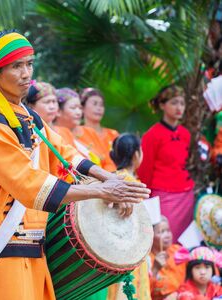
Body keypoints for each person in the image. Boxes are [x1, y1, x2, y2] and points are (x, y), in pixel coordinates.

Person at [0, 29, 150, 300]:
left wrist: (107, 179)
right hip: (4, 250)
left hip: (35, 246)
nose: (26, 73)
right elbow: (29, 184)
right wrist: (102, 191)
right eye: (16, 66)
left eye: (29, 63)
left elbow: (66, 154)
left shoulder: (30, 118)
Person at [138, 85, 194, 242]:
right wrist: (146, 198)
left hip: (186, 195)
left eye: (182, 103)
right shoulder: (152, 135)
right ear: (162, 105)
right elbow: (145, 169)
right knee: (163, 240)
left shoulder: (185, 134)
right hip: (163, 195)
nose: (179, 108)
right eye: (174, 103)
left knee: (183, 241)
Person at [106, 133, 151, 300]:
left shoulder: (111, 178)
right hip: (130, 248)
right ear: (136, 154)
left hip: (112, 249)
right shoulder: (130, 182)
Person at [54, 87, 113, 169]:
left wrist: (110, 176)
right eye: (73, 108)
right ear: (58, 111)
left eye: (79, 108)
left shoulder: (90, 132)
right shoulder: (56, 134)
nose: (78, 112)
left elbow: (108, 162)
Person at [149, 216, 186, 300]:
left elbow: (192, 276)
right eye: (161, 232)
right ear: (151, 236)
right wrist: (155, 269)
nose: (167, 235)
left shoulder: (178, 251)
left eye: (168, 231)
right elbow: (142, 291)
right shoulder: (145, 260)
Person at [80, 87, 119, 153]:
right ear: (82, 108)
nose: (99, 108)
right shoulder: (78, 134)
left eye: (101, 105)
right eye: (94, 104)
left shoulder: (113, 134)